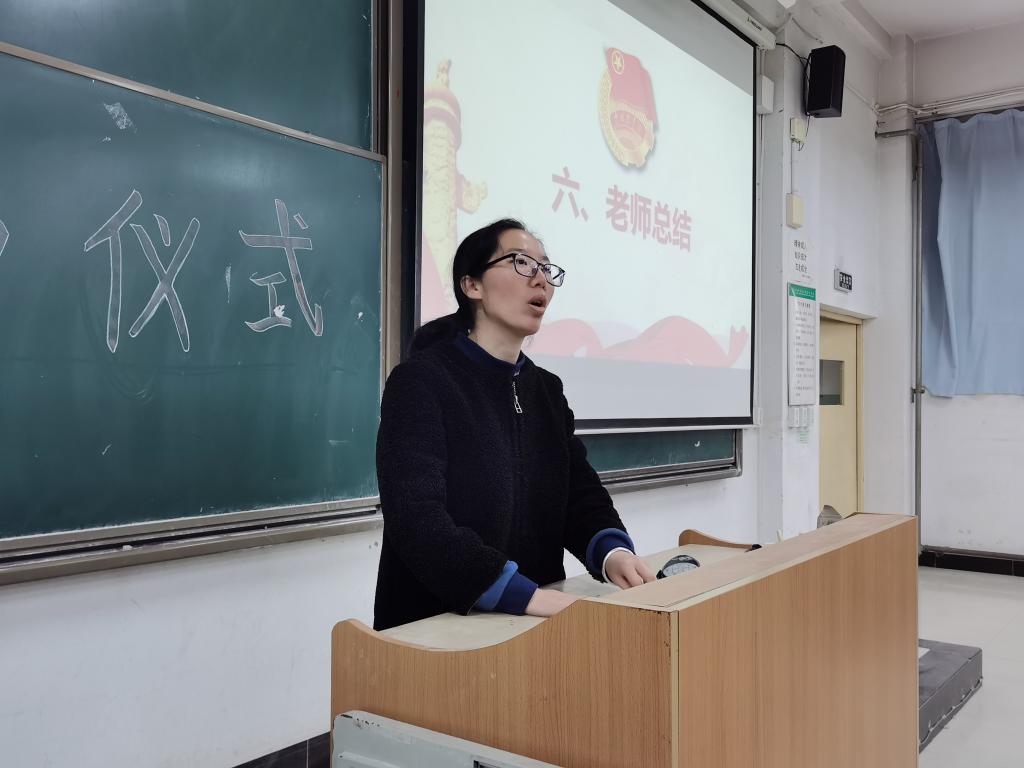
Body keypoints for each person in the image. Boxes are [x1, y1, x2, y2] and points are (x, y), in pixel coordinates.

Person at [373, 219, 654, 631]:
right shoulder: (421, 381)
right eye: (521, 263)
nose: (540, 279)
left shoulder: (546, 390)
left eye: (546, 268)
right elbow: (416, 518)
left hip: (534, 624)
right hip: (435, 628)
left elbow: (578, 495)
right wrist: (521, 594)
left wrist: (614, 553)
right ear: (472, 285)